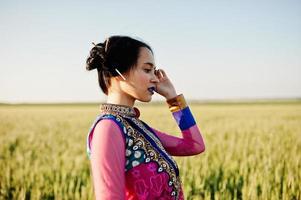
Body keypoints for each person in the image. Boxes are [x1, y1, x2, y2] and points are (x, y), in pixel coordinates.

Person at [85, 35, 205, 200]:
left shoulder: (137, 128)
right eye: (147, 70)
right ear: (118, 72)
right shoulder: (108, 129)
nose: (155, 79)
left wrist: (173, 99)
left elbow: (195, 145)